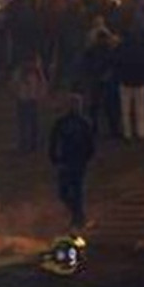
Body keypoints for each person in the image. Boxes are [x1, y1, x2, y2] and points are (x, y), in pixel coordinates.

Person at [49, 95, 96, 230]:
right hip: (66, 161)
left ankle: (78, 217)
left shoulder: (84, 123)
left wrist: (87, 157)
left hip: (78, 161)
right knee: (63, 192)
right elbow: (54, 140)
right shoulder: (62, 122)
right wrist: (54, 157)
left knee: (77, 191)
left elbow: (90, 142)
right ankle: (78, 215)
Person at [116, 33, 144, 141]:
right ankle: (141, 132)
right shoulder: (143, 50)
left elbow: (117, 64)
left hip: (126, 82)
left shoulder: (122, 50)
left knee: (125, 110)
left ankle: (127, 133)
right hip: (140, 82)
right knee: (140, 109)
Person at [12, 62, 47, 154]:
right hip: (22, 100)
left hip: (32, 101)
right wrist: (17, 94)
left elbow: (43, 85)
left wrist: (39, 96)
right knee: (23, 124)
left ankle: (34, 145)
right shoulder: (20, 72)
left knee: (34, 124)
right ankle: (23, 144)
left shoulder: (38, 74)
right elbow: (14, 84)